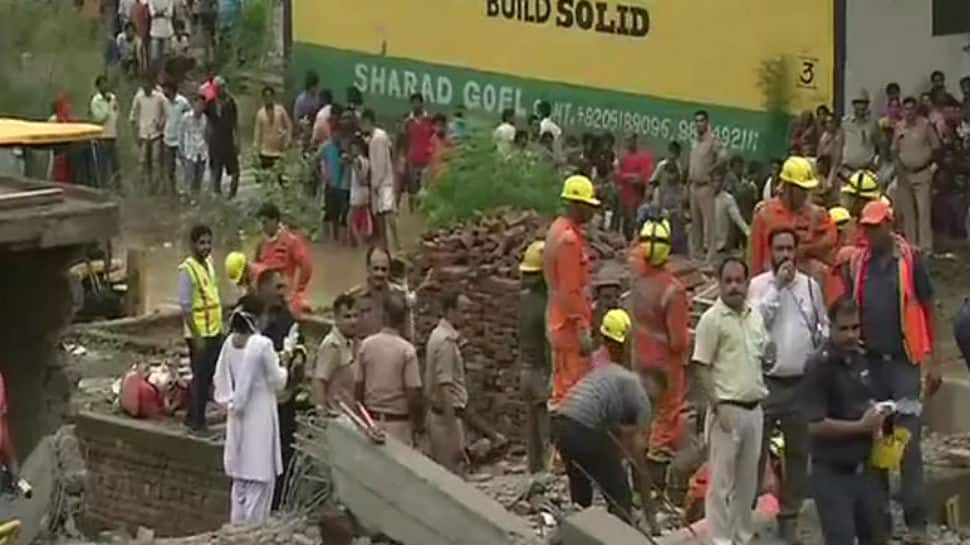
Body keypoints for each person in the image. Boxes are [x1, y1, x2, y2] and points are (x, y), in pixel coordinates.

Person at [839, 200, 940, 544]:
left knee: (908, 444)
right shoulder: (857, 262)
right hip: (872, 364)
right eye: (866, 226)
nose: (869, 232)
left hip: (903, 362)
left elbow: (928, 306)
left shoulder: (909, 260)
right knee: (877, 443)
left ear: (889, 225)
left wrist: (934, 359)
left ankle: (916, 523)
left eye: (875, 226)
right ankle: (879, 523)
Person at [748, 227, 829, 543]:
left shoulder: (810, 287)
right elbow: (755, 325)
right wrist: (777, 289)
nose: (784, 255)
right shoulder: (758, 286)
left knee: (798, 454)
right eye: (779, 248)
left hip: (800, 384)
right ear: (770, 252)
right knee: (755, 453)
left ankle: (789, 520)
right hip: (767, 382)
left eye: (789, 248)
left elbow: (821, 322)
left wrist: (820, 339)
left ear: (796, 252)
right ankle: (750, 521)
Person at [552, 308, 661, 526]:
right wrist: (651, 517)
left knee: (581, 490)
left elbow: (611, 433)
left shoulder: (612, 376)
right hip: (583, 427)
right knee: (620, 494)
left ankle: (579, 533)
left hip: (560, 424)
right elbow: (638, 460)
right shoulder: (639, 394)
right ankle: (620, 535)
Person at [692, 257, 769, 545]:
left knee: (747, 483)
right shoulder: (712, 320)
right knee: (721, 484)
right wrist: (716, 405)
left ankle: (742, 537)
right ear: (720, 283)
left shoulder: (755, 316)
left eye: (740, 281)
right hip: (727, 410)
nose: (735, 287)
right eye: (728, 281)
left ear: (748, 283)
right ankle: (721, 540)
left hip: (754, 409)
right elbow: (700, 365)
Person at [802, 296, 887, 545]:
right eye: (844, 329)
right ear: (831, 326)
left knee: (875, 536)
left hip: (866, 468)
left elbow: (869, 402)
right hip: (831, 472)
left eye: (855, 328)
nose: (851, 335)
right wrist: (860, 426)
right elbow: (815, 424)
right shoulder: (819, 366)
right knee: (840, 538)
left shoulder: (863, 359)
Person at [628, 219, 690, 504]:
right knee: (664, 427)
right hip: (665, 368)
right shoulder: (673, 290)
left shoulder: (638, 280)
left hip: (640, 361)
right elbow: (678, 341)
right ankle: (653, 490)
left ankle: (636, 485)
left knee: (642, 424)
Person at [213, 295, 287, 525]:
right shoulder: (262, 345)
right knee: (260, 480)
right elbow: (278, 381)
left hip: (238, 417)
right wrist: (285, 363)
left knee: (240, 483)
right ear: (258, 317)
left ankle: (237, 530)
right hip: (260, 415)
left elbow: (221, 379)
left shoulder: (229, 343)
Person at [544, 175, 600, 408]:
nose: (592, 212)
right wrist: (582, 329)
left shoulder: (558, 229)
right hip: (568, 329)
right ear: (576, 205)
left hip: (560, 322)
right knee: (571, 396)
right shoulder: (568, 240)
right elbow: (570, 291)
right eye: (588, 206)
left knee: (564, 391)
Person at [750, 156, 837, 288]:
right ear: (787, 187)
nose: (805, 194)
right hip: (771, 282)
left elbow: (831, 241)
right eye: (800, 189)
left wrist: (807, 249)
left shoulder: (816, 214)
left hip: (803, 285)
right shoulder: (765, 214)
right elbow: (755, 258)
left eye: (806, 189)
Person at [355, 291, 423, 445]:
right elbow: (413, 393)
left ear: (383, 315)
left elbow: (358, 387)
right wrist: (418, 425)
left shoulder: (366, 345)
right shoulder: (407, 351)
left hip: (371, 421)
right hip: (399, 425)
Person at [178, 224, 223, 434]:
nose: (206, 247)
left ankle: (191, 417)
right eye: (202, 243)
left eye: (208, 242)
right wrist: (196, 336)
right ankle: (197, 422)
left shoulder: (209, 264)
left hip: (213, 330)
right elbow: (186, 307)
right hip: (199, 334)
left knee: (207, 376)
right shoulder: (187, 270)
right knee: (201, 378)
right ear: (192, 245)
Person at [425, 291, 472, 475]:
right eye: (464, 312)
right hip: (445, 420)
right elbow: (445, 388)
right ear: (451, 311)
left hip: (441, 417)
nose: (467, 317)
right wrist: (454, 434)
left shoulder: (438, 335)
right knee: (453, 478)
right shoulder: (445, 342)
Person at [893, 96, 941, 254]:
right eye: (906, 109)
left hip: (923, 173)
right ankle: (911, 246)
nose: (909, 112)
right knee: (908, 212)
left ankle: (926, 247)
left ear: (916, 110)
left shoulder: (925, 125)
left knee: (924, 210)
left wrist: (933, 166)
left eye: (912, 108)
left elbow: (936, 147)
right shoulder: (899, 126)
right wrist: (898, 168)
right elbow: (894, 150)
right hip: (904, 174)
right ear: (902, 111)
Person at [518, 241, 551, 474]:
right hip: (540, 371)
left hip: (525, 370)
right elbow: (548, 344)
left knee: (531, 431)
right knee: (546, 428)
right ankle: (547, 473)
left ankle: (534, 471)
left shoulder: (524, 302)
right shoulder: (546, 305)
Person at [253, 203, 313, 317]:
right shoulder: (261, 243)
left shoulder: (291, 241)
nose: (262, 226)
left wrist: (299, 290)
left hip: (285, 295)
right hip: (266, 296)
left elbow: (306, 265)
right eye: (261, 223)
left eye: (265, 222)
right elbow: (255, 269)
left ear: (274, 221)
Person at [687, 110, 728, 259]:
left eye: (701, 121)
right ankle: (696, 254)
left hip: (705, 185)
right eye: (696, 121)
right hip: (693, 185)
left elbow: (723, 158)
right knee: (695, 222)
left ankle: (711, 256)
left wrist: (712, 170)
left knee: (709, 223)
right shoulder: (694, 141)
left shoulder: (713, 141)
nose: (699, 124)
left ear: (707, 122)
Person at [347, 247, 411, 339]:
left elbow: (407, 334)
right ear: (368, 268)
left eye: (384, 269)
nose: (379, 274)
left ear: (389, 270)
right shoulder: (354, 298)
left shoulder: (400, 297)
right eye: (376, 268)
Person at [360, 109, 399, 250]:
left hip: (382, 183)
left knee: (387, 213)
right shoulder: (377, 136)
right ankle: (387, 245)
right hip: (381, 181)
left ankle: (394, 244)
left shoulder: (378, 138)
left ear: (368, 121)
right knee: (381, 215)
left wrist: (376, 183)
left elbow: (381, 163)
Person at [314, 293, 358, 410]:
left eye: (355, 316)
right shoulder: (332, 344)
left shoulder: (348, 342)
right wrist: (322, 411)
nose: (353, 321)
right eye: (347, 317)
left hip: (347, 415)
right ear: (336, 318)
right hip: (335, 417)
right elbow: (320, 381)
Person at [616, 133, 655, 241]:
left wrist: (631, 177)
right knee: (625, 223)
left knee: (637, 222)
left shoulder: (644, 157)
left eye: (630, 140)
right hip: (624, 196)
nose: (628, 143)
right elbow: (618, 176)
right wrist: (631, 176)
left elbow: (643, 178)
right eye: (626, 140)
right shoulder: (622, 158)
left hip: (638, 197)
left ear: (635, 141)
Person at [206, 76, 240, 197]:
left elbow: (235, 123)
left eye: (222, 87)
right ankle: (217, 193)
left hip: (228, 139)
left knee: (235, 170)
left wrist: (237, 140)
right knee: (216, 169)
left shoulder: (230, 102)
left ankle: (232, 194)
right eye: (217, 88)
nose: (220, 90)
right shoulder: (210, 103)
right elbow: (207, 121)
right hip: (215, 141)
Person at [129, 77, 165, 189]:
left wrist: (162, 123)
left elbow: (167, 111)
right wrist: (135, 134)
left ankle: (155, 184)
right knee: (143, 161)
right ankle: (142, 184)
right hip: (143, 133)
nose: (146, 88)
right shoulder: (139, 97)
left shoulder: (159, 97)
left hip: (156, 133)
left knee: (155, 161)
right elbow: (132, 117)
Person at [709, 165, 750, 263]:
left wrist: (749, 233)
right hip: (704, 249)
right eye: (714, 181)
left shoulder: (728, 199)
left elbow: (738, 219)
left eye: (719, 181)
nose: (716, 184)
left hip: (721, 250)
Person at [402, 93, 434, 212]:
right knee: (413, 189)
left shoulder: (429, 120)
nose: (416, 105)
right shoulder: (407, 122)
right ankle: (412, 214)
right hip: (412, 161)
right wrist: (405, 158)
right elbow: (404, 140)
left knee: (425, 189)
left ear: (421, 103)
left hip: (427, 161)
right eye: (413, 103)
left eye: (418, 102)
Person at [839, 89, 882, 172]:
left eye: (864, 103)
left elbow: (881, 145)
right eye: (859, 103)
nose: (862, 106)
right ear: (854, 105)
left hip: (867, 170)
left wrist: (877, 162)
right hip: (847, 170)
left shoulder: (873, 124)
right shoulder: (845, 123)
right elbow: (839, 145)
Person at [90, 75, 120, 189]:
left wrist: (113, 112)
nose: (105, 86)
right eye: (102, 84)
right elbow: (99, 118)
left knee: (115, 164)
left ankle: (118, 186)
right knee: (103, 164)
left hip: (112, 134)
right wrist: (108, 107)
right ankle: (103, 187)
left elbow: (116, 112)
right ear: (98, 86)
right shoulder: (95, 101)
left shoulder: (112, 97)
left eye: (106, 83)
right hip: (102, 136)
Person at [320, 127, 349, 244]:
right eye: (335, 134)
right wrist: (324, 171)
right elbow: (320, 159)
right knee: (330, 213)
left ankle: (338, 239)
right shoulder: (326, 147)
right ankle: (331, 239)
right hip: (330, 183)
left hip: (342, 185)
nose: (337, 136)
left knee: (342, 213)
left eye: (339, 134)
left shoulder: (344, 148)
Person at [254, 86, 292, 171]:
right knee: (266, 180)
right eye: (266, 96)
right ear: (263, 98)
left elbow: (289, 125)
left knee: (279, 179)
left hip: (279, 152)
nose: (268, 98)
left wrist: (288, 139)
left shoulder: (280, 110)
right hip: (265, 152)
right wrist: (256, 150)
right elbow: (257, 133)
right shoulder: (260, 113)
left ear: (273, 97)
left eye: (270, 96)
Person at [161, 82, 190, 195]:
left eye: (166, 89)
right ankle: (172, 191)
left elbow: (189, 117)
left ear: (172, 90)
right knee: (170, 168)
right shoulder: (164, 102)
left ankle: (186, 188)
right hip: (168, 138)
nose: (164, 92)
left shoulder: (182, 102)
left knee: (184, 166)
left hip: (180, 139)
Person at [179, 93, 208, 194]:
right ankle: (189, 197)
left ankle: (197, 199)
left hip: (202, 152)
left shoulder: (205, 119)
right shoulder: (185, 118)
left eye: (202, 104)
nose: (200, 106)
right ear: (193, 104)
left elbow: (207, 135)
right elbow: (181, 135)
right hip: (190, 152)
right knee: (189, 178)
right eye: (198, 104)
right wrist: (181, 151)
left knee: (199, 179)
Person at [347, 137, 372, 246]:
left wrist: (354, 167)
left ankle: (358, 243)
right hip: (366, 192)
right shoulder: (367, 161)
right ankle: (360, 240)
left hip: (357, 193)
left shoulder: (356, 161)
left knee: (350, 220)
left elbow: (360, 179)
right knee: (362, 219)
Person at [147, 0, 175, 67]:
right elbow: (152, 13)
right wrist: (163, 12)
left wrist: (158, 13)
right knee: (154, 56)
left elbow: (170, 14)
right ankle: (155, 73)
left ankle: (165, 73)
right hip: (155, 31)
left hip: (167, 31)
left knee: (166, 55)